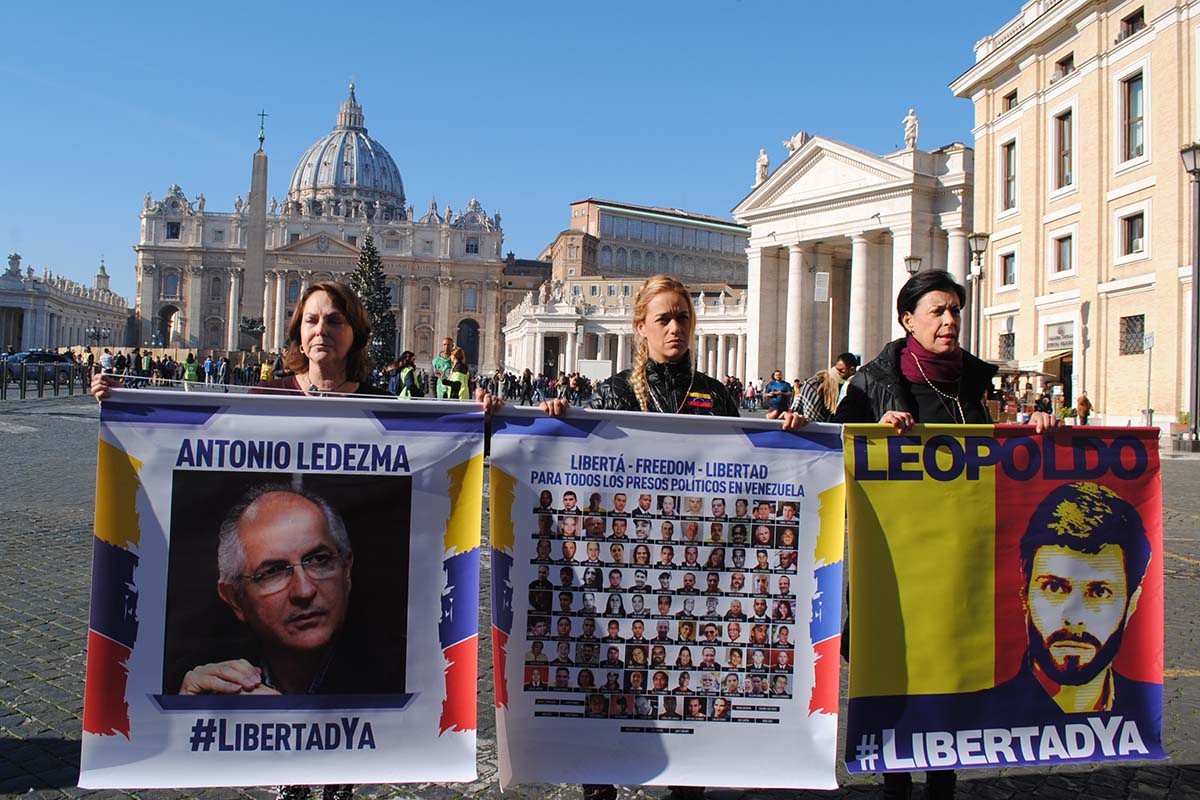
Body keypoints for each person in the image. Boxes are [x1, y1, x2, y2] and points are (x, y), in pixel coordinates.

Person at [539, 275, 802, 800]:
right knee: (613, 678)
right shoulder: (612, 392)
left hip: (698, 570)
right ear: (641, 327)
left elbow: (751, 464)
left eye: (683, 317)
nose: (675, 327)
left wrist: (786, 433)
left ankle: (689, 779)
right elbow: (579, 469)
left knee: (689, 682)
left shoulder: (715, 394)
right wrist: (554, 423)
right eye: (664, 318)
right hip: (622, 563)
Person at [833, 270, 1058, 800]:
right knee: (898, 664)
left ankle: (943, 778)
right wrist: (869, 436)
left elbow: (1004, 457)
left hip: (964, 555)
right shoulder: (869, 384)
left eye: (954, 309)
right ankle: (895, 778)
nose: (949, 320)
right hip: (895, 560)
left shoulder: (976, 382)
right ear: (908, 319)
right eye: (937, 310)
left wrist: (1040, 432)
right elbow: (830, 456)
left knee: (954, 663)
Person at [979, 482, 1153, 717]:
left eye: (1100, 592)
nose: (1074, 616)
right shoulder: (979, 714)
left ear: (1132, 603)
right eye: (1054, 587)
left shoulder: (1143, 708)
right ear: (1025, 593)